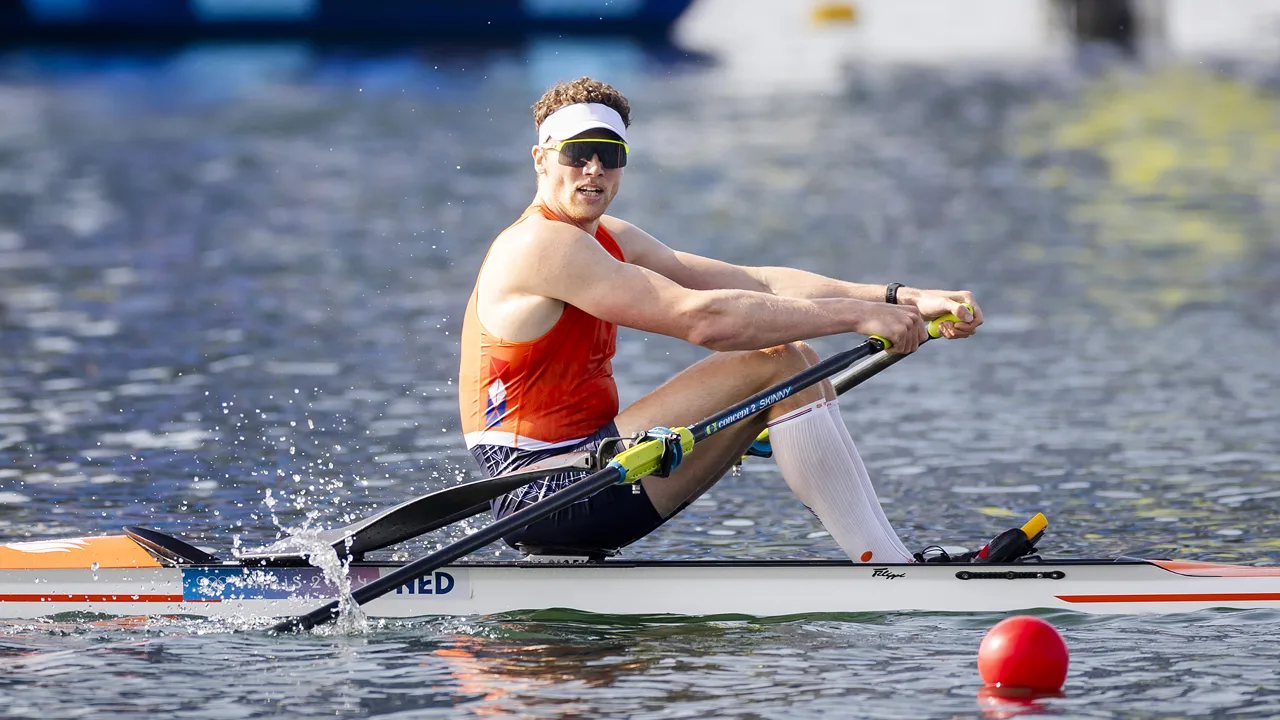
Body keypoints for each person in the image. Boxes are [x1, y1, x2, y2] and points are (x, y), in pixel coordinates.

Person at [458, 77, 984, 564]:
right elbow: (702, 320)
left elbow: (756, 283)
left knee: (798, 361)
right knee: (778, 362)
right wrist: (855, 317)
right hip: (540, 491)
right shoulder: (540, 244)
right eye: (577, 153)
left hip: (591, 466)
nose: (593, 168)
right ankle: (887, 569)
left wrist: (900, 298)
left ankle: (889, 563)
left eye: (610, 154)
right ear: (541, 160)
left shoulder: (609, 235)